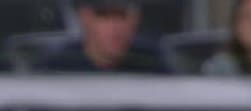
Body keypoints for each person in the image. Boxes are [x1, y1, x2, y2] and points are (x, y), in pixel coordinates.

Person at [35, 0, 169, 73]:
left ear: (135, 19)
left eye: (122, 16)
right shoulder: (57, 69)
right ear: (84, 17)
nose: (115, 27)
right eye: (104, 16)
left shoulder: (151, 65)